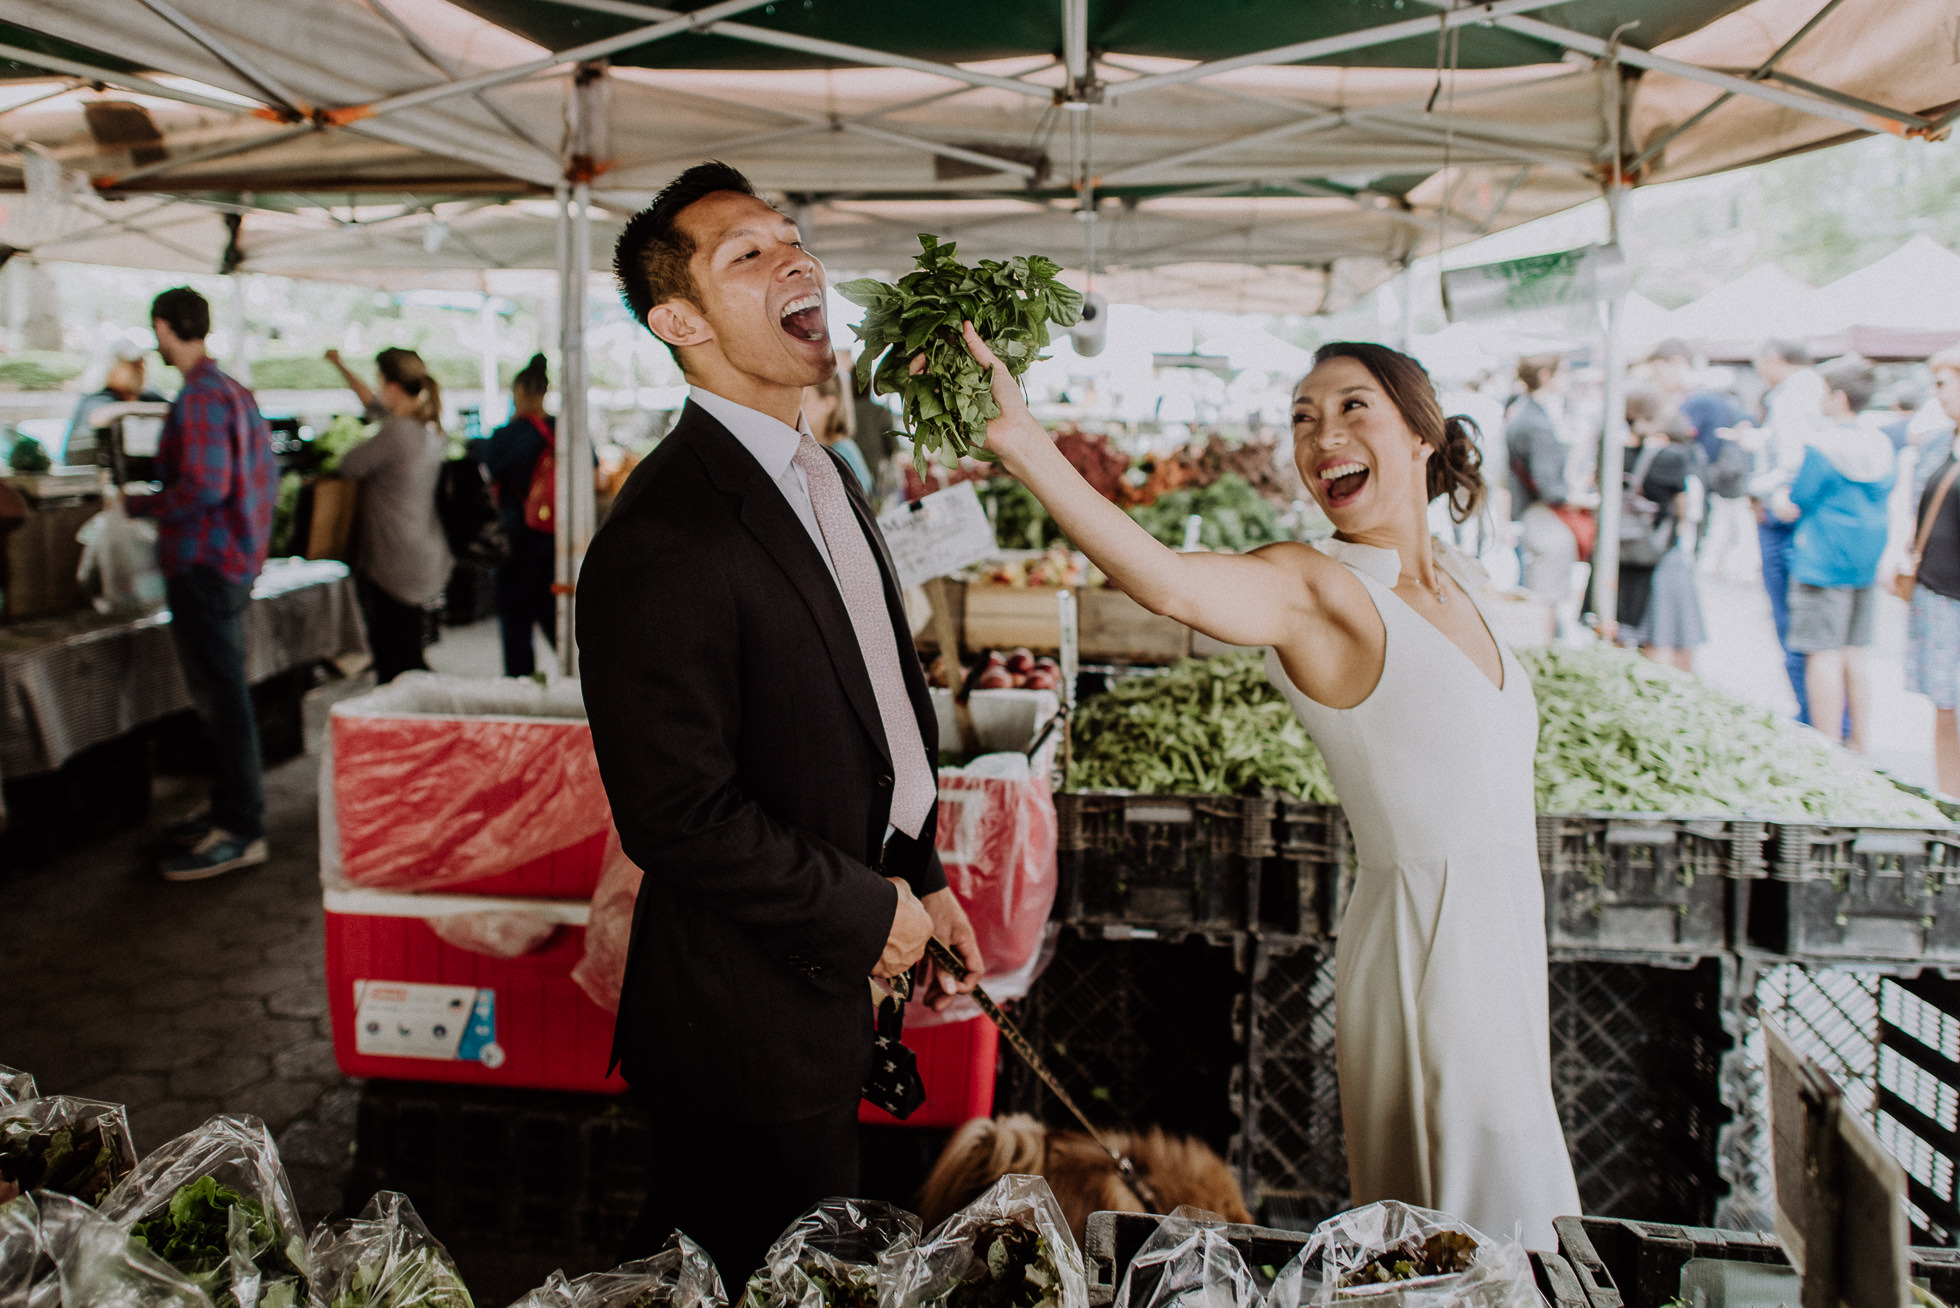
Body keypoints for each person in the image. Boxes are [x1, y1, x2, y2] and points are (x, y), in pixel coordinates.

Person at [970, 331, 1580, 1248]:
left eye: (1349, 407)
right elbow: (1165, 581)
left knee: (1518, 1200)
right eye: (1303, 416)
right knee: (1465, 1224)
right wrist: (1025, 447)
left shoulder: (1460, 583)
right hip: (1428, 948)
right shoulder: (1314, 588)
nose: (1321, 433)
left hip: (1507, 935)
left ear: (1421, 435)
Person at [576, 162, 985, 1279]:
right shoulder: (662, 530)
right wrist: (866, 914)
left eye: (793, 238)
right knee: (744, 1267)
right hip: (740, 1029)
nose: (794, 257)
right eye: (745, 255)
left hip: (823, 989)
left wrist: (922, 871)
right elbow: (678, 815)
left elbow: (868, 699)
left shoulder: (817, 469)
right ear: (680, 321)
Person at [127, 287, 278, 881]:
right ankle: (228, 809)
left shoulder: (198, 397)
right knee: (225, 698)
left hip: (206, 566)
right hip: (232, 563)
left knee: (224, 702)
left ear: (165, 327)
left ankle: (241, 829)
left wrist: (139, 507)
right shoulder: (234, 391)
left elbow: (204, 490)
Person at [1772, 355, 1894, 752]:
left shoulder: (1824, 445)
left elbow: (1801, 496)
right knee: (1853, 652)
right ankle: (1860, 741)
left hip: (1823, 557)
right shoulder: (1881, 441)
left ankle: (1826, 749)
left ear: (1838, 397)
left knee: (1821, 654)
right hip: (1863, 559)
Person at [324, 348, 453, 684]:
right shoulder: (429, 428)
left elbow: (347, 465)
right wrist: (341, 365)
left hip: (394, 560)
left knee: (396, 658)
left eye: (380, 383)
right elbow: (372, 404)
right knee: (407, 647)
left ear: (392, 386)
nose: (377, 390)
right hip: (421, 552)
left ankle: (408, 724)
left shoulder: (398, 434)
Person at [1746, 340, 1827, 722]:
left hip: (1786, 515)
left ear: (1773, 359)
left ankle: (1812, 716)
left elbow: (1793, 460)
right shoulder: (1810, 388)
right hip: (1803, 516)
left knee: (1795, 622)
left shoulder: (1794, 395)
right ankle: (1818, 715)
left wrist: (1769, 489)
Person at [474, 353, 558, 677]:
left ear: (520, 392)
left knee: (515, 622)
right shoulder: (562, 429)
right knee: (556, 617)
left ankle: (523, 686)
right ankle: (577, 683)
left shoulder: (506, 436)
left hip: (516, 538)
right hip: (556, 540)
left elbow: (486, 475)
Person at [1903, 348, 1960, 795]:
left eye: (1943, 384)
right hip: (1939, 590)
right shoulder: (1939, 443)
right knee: (1945, 705)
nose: (1937, 395)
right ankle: (1950, 799)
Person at [1624, 413, 1708, 671]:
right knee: (1672, 632)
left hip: (1631, 550)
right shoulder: (1675, 460)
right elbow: (1687, 513)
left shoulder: (1624, 453)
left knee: (1644, 631)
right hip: (1664, 551)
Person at [1505, 354, 1582, 629]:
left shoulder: (1523, 410)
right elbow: (1549, 485)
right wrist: (1577, 499)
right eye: (1563, 372)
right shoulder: (1535, 421)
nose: (1568, 378)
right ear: (1545, 376)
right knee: (1545, 596)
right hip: (1541, 515)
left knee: (1538, 589)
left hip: (1530, 512)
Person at [64, 348, 165, 465]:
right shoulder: (96, 400)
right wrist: (130, 409)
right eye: (132, 366)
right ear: (112, 369)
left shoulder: (149, 396)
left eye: (142, 364)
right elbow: (97, 419)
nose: (141, 371)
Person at [805, 364, 874, 492]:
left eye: (805, 399)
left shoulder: (842, 451)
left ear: (828, 404)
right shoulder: (815, 448)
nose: (799, 407)